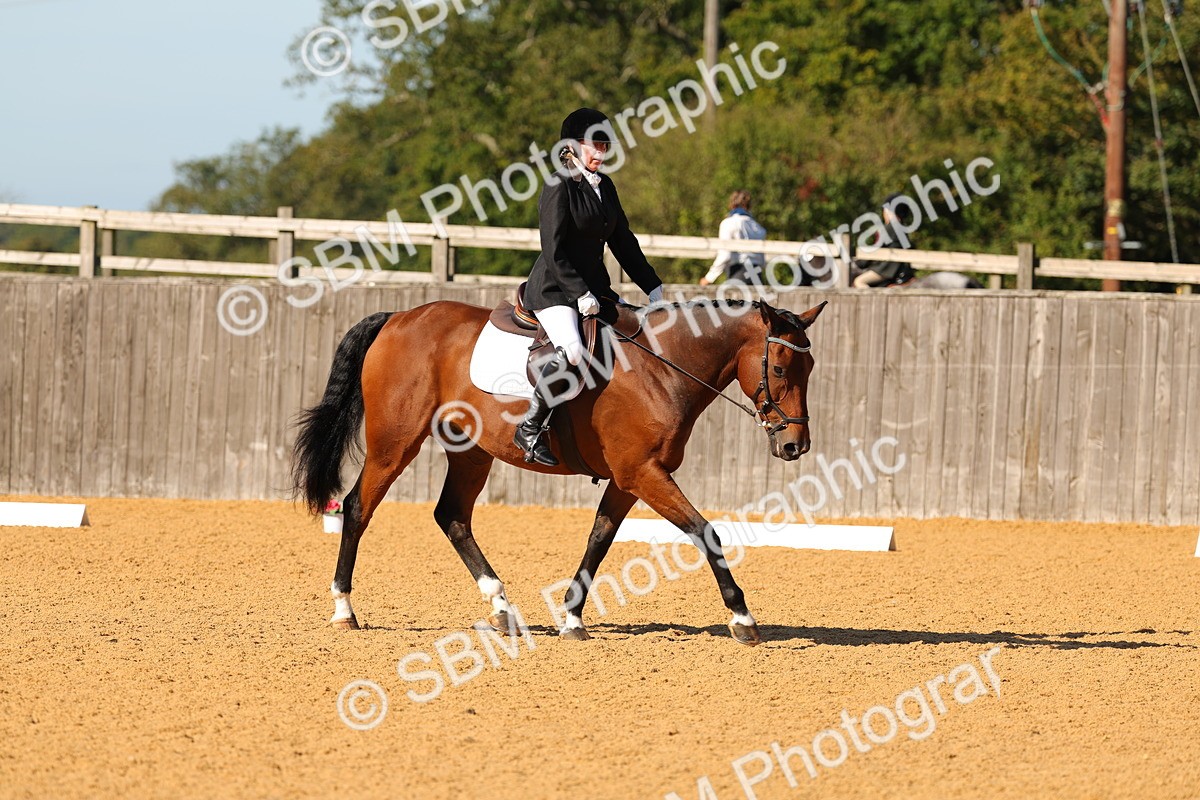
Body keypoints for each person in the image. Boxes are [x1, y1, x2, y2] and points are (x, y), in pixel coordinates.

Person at [514, 107, 665, 467]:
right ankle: (530, 428)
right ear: (573, 145)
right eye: (596, 144)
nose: (602, 152)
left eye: (606, 145)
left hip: (595, 291)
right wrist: (579, 292)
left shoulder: (605, 186)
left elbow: (623, 242)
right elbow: (553, 248)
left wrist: (653, 287)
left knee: (634, 335)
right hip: (555, 290)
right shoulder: (558, 184)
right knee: (574, 351)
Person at [699, 190, 767, 286]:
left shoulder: (728, 223)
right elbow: (762, 260)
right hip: (757, 276)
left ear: (732, 204)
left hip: (739, 274)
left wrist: (709, 278)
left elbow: (725, 255)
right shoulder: (757, 227)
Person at [853, 193, 916, 288]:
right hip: (899, 268)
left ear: (890, 211)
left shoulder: (890, 228)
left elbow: (875, 249)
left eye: (885, 210)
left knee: (859, 281)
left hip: (886, 269)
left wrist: (860, 262)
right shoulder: (903, 228)